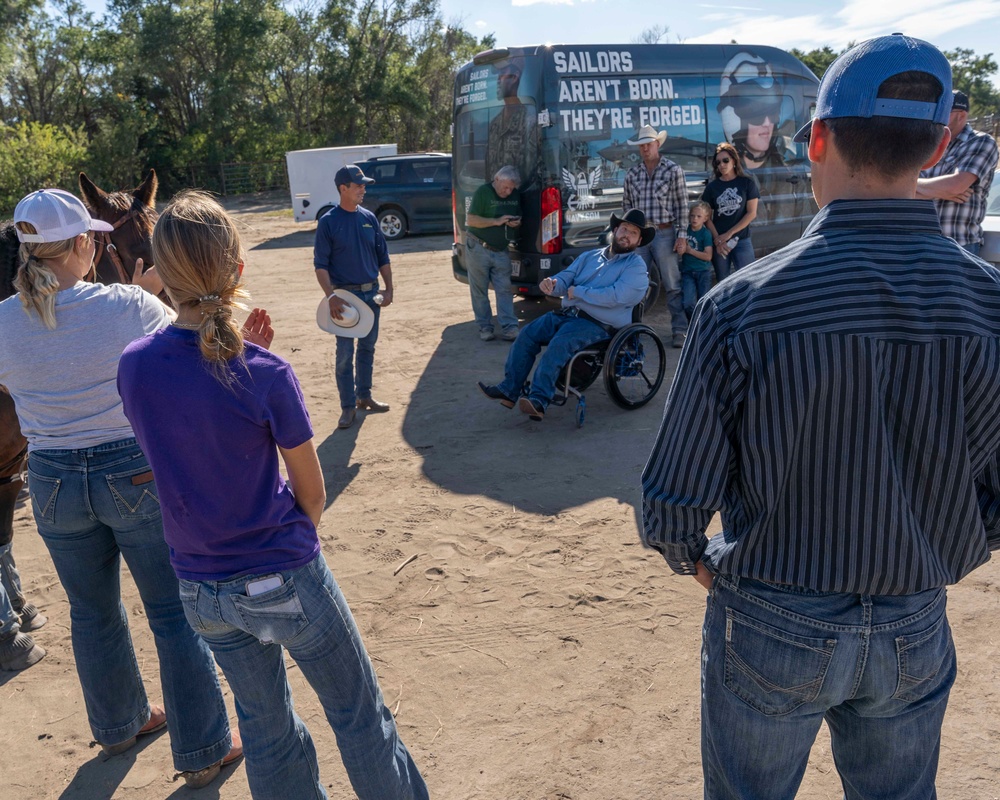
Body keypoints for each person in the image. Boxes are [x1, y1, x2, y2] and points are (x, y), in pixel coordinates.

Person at [641, 34, 1000, 798]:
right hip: (914, 615)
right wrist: (940, 550)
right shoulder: (988, 304)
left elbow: (672, 505)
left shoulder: (740, 304)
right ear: (937, 145)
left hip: (771, 614)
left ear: (817, 139)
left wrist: (696, 561)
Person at [118, 191, 428, 800]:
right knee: (360, 718)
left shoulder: (134, 366)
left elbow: (185, 438)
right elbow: (312, 492)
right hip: (280, 573)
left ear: (160, 274)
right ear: (239, 268)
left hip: (201, 588)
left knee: (265, 727)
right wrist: (253, 353)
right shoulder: (264, 371)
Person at [0, 188, 242, 786]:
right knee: (171, 614)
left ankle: (119, 725)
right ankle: (204, 748)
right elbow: (189, 353)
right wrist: (149, 293)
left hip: (52, 480)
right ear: (84, 244)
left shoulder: (3, 320)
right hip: (131, 472)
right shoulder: (128, 304)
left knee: (92, 613)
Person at [478, 209, 649, 421]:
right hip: (570, 313)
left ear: (639, 240)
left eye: (633, 233)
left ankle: (539, 400)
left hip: (600, 324)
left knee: (560, 343)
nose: (627, 235)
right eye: (624, 229)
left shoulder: (637, 268)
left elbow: (617, 296)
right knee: (527, 334)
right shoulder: (590, 256)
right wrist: (553, 283)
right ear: (615, 230)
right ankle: (509, 390)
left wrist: (579, 292)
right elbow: (567, 276)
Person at [314, 164, 393, 430]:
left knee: (368, 349)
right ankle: (347, 407)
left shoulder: (369, 217)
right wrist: (331, 297)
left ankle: (364, 397)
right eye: (358, 185)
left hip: (372, 295)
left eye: (364, 185)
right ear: (343, 188)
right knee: (345, 354)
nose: (363, 189)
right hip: (344, 299)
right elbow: (320, 265)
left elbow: (383, 257)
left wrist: (389, 288)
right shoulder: (328, 222)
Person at [622, 125, 688, 348]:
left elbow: (681, 205)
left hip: (664, 231)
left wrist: (682, 236)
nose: (645, 149)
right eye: (642, 145)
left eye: (648, 144)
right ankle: (631, 331)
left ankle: (680, 329)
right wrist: (627, 235)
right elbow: (627, 207)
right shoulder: (632, 174)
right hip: (640, 235)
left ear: (657, 144)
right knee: (636, 283)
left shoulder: (672, 170)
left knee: (672, 283)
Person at [917, 89, 999, 255]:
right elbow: (901, 189)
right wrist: (942, 190)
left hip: (959, 247)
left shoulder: (981, 141)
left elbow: (956, 186)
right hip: (922, 243)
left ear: (960, 115)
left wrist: (916, 187)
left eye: (942, 111)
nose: (935, 116)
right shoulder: (927, 143)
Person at [464, 165, 523, 342]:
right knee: (479, 289)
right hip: (478, 247)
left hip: (501, 250)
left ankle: (510, 327)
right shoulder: (483, 192)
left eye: (511, 188)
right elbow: (471, 220)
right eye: (505, 187)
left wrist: (516, 222)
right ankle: (485, 327)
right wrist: (496, 221)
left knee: (504, 289)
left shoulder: (515, 195)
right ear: (496, 180)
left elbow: (519, 216)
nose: (508, 191)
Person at [701, 141, 759, 281]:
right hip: (720, 243)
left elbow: (751, 213)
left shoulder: (747, 183)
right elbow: (706, 217)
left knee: (749, 279)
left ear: (734, 160)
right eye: (718, 162)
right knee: (723, 282)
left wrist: (729, 234)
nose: (721, 165)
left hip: (742, 240)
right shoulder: (712, 187)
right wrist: (718, 240)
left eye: (725, 160)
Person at [679, 202, 713, 323]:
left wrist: (690, 251)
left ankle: (704, 326)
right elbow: (679, 250)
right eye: (692, 216)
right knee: (688, 303)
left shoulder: (706, 234)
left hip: (703, 271)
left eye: (699, 216)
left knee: (704, 303)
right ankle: (694, 325)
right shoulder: (685, 231)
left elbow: (708, 256)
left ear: (706, 218)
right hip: (687, 271)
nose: (694, 219)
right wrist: (681, 249)